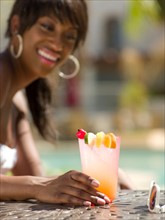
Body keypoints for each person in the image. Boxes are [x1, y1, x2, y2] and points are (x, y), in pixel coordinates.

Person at [0, 0, 133, 205]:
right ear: (16, 25)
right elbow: (37, 185)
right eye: (47, 27)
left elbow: (36, 177)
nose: (57, 43)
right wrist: (38, 186)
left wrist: (92, 182)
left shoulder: (17, 102)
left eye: (69, 36)